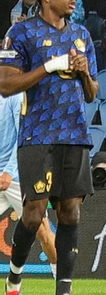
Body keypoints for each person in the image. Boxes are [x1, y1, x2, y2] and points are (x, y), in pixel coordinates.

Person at [0, 0, 97, 295]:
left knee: (71, 211)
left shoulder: (81, 35)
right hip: (38, 134)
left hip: (75, 134)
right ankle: (14, 282)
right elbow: (6, 85)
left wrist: (84, 72)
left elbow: (92, 93)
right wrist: (49, 66)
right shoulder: (21, 33)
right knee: (34, 214)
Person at [0, 93, 58, 278]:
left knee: (43, 231)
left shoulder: (14, 95)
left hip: (17, 176)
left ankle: (62, 282)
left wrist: (9, 170)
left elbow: (23, 135)